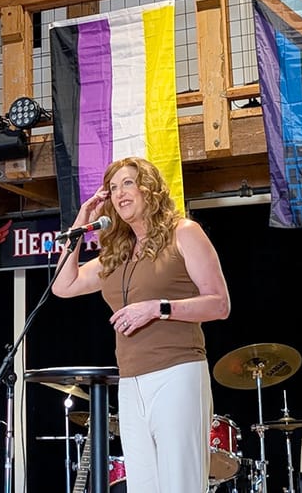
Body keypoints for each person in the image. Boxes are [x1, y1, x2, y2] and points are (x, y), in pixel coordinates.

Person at [52, 157, 231, 492]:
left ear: (149, 188)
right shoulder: (117, 252)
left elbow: (219, 304)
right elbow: (64, 285)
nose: (120, 193)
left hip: (177, 372)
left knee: (180, 484)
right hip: (131, 381)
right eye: (114, 187)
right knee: (143, 486)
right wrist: (81, 223)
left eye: (128, 183)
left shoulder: (184, 233)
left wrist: (158, 308)